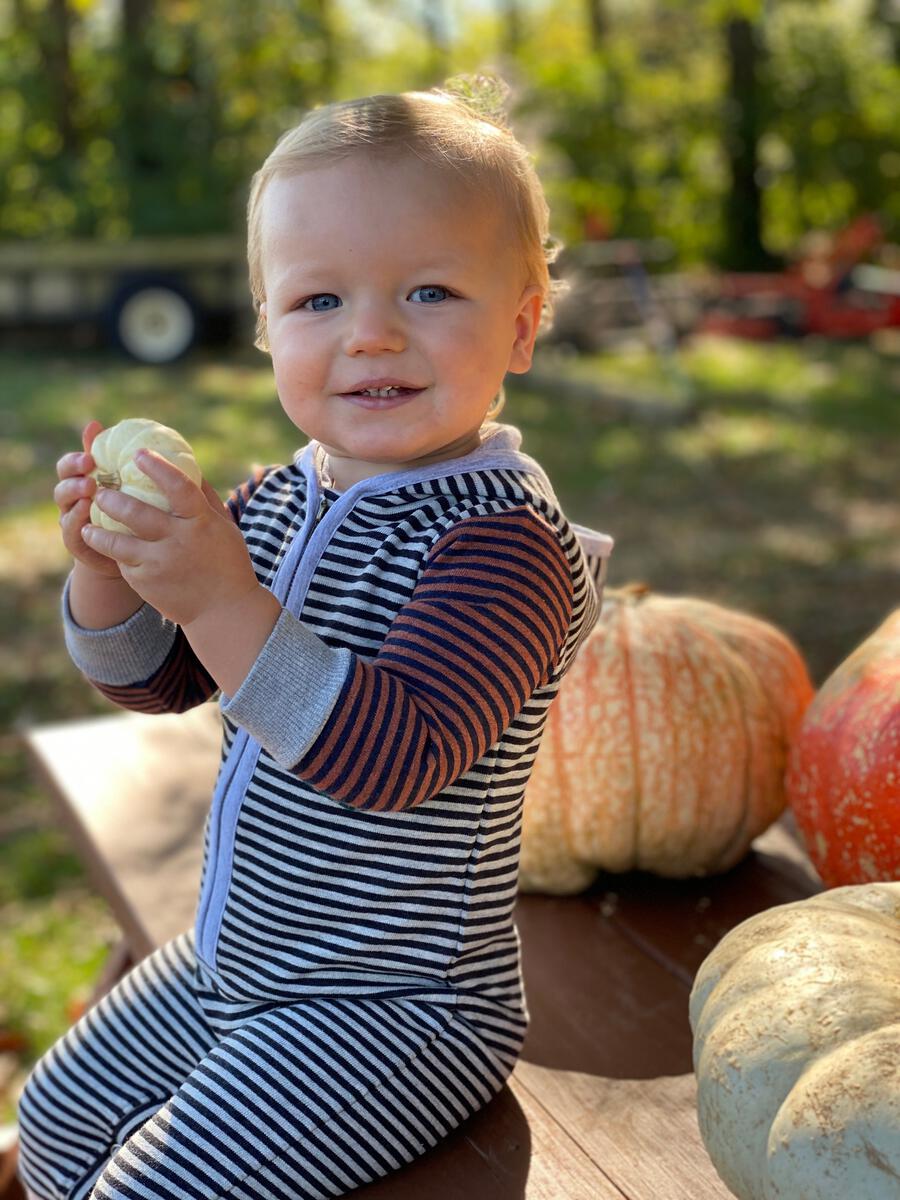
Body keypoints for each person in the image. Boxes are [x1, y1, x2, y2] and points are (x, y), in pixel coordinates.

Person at [18, 74, 603, 1200]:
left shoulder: (504, 545)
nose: (372, 334)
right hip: (240, 954)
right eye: (319, 303)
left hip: (395, 1007)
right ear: (266, 328)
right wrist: (110, 573)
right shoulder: (283, 498)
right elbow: (154, 678)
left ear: (522, 324)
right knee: (52, 1119)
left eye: (429, 291)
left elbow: (390, 759)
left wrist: (223, 596)